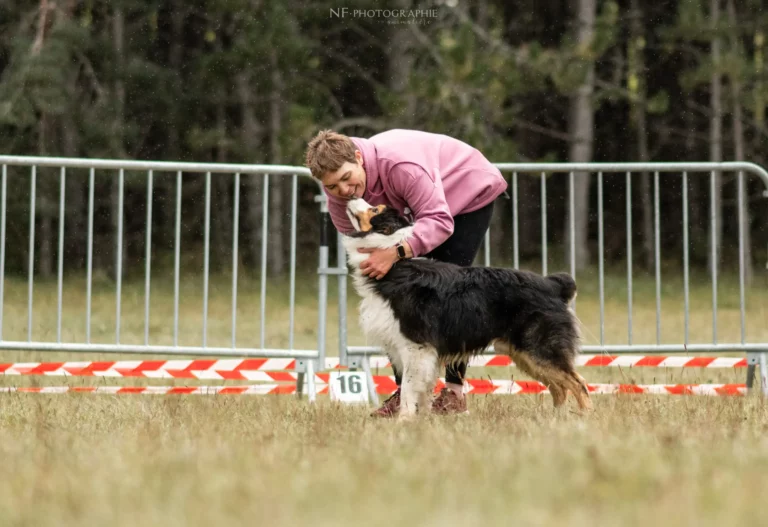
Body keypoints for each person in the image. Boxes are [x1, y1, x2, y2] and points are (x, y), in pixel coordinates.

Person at [305, 129, 507, 417]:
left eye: (347, 178)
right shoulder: (337, 190)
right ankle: (406, 394)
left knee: (451, 292)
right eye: (333, 186)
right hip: (422, 206)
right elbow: (358, 243)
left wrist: (396, 252)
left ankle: (453, 392)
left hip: (465, 192)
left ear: (359, 158)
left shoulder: (400, 166)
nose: (344, 191)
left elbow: (438, 220)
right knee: (391, 298)